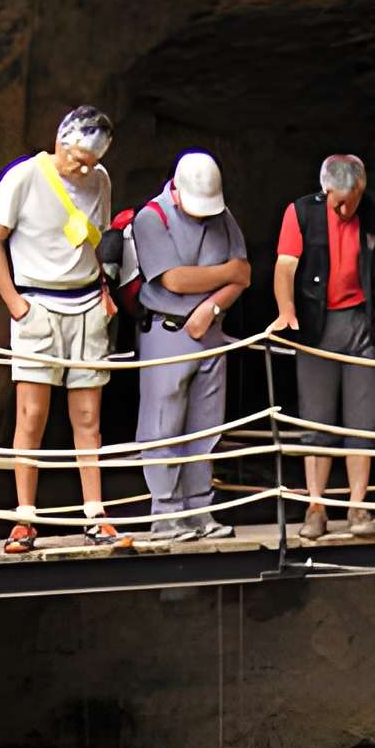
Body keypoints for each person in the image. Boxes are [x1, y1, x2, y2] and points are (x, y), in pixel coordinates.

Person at [0, 106, 132, 555]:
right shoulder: (23, 178)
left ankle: (94, 513)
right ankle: (25, 517)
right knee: (31, 416)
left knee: (87, 418)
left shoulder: (100, 180)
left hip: (85, 302)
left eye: (92, 160)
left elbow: (97, 238)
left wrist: (104, 287)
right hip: (37, 301)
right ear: (60, 142)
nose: (85, 167)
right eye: (79, 158)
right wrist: (14, 302)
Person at [273, 153, 375, 543]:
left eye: (353, 199)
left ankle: (358, 504)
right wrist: (286, 310)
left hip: (362, 323)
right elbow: (285, 265)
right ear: (325, 189)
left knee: (363, 419)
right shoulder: (300, 212)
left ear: (361, 188)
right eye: (339, 201)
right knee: (316, 419)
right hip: (316, 326)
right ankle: (316, 506)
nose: (346, 209)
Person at [131, 150, 251, 543]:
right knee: (164, 425)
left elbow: (243, 275)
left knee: (207, 424)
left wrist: (212, 306)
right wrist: (222, 276)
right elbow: (174, 280)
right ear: (176, 190)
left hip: (210, 332)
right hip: (166, 332)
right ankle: (166, 513)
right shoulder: (152, 218)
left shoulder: (223, 216)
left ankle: (201, 509)